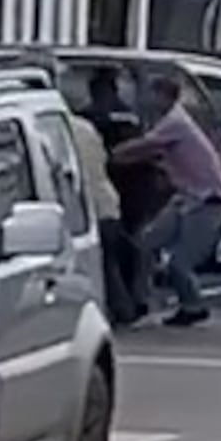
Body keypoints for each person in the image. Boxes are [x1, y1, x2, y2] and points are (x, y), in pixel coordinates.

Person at [112, 76, 221, 327]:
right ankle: (141, 300)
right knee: (146, 243)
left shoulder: (176, 122)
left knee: (180, 262)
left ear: (166, 97)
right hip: (187, 198)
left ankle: (193, 306)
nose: (149, 100)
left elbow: (147, 145)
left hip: (209, 200)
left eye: (154, 94)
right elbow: (154, 154)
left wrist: (116, 152)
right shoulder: (169, 123)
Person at [68, 113, 138, 325]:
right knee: (109, 264)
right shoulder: (86, 127)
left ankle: (121, 311)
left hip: (87, 209)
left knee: (102, 267)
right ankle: (124, 309)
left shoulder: (55, 130)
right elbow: (104, 158)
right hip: (107, 201)